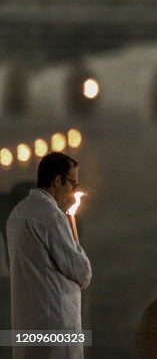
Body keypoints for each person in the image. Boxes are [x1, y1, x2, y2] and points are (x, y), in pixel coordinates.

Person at [7, 152, 92, 359]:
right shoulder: (51, 216)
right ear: (57, 180)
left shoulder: (18, 212)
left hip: (28, 324)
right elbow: (82, 273)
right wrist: (76, 243)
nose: (73, 191)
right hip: (56, 325)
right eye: (73, 183)